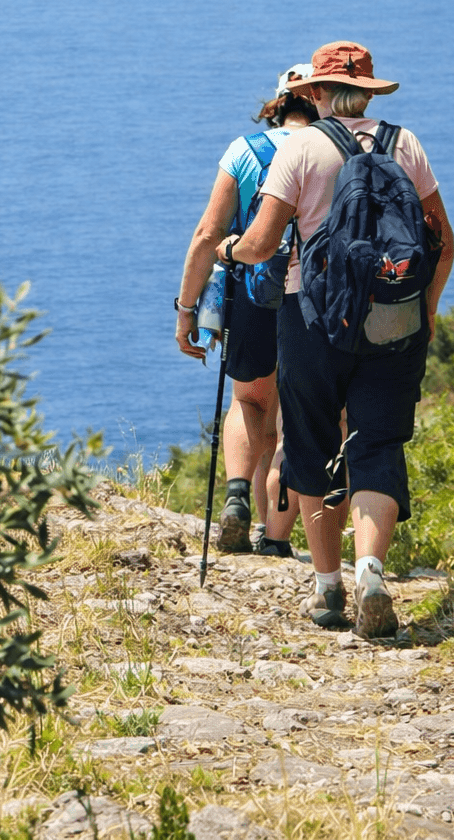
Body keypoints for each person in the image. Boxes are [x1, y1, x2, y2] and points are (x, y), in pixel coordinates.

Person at [215, 41, 454, 638]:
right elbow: (442, 240)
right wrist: (423, 311)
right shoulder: (407, 144)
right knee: (377, 443)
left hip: (312, 319)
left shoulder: (301, 146)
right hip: (394, 320)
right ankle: (371, 569)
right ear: (370, 91)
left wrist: (229, 250)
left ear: (316, 93)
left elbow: (264, 242)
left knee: (313, 442)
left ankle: (328, 589)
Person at [175, 63, 317, 556]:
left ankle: (236, 496)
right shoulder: (335, 151)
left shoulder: (244, 151)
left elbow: (207, 235)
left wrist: (186, 310)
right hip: (316, 302)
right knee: (300, 420)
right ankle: (275, 539)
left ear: (279, 102)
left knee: (250, 402)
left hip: (253, 294)